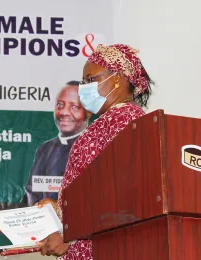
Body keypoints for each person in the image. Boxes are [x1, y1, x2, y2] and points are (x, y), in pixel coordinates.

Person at [36, 44, 154, 259]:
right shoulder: (110, 122)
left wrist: (67, 234)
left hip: (103, 249)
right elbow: (94, 188)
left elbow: (119, 198)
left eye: (90, 80)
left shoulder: (124, 121)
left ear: (117, 79)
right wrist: (60, 208)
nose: (84, 88)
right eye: (83, 82)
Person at [22, 81, 90, 206]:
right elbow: (30, 196)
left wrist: (58, 208)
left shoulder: (93, 148)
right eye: (60, 105)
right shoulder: (44, 149)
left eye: (74, 106)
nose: (64, 112)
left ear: (88, 112)